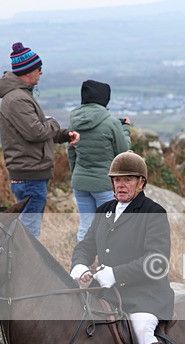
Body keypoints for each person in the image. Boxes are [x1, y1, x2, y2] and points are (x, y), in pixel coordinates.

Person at [69, 151, 174, 344]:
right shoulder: (104, 210)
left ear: (141, 183)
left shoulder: (153, 213)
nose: (120, 185)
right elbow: (85, 246)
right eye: (116, 180)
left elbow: (157, 261)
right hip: (106, 294)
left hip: (145, 296)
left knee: (140, 328)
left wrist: (116, 274)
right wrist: (79, 267)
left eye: (127, 179)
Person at [0, 42, 80, 238]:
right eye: (38, 68)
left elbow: (36, 129)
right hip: (29, 173)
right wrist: (52, 122)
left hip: (29, 172)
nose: (41, 72)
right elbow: (35, 131)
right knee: (30, 232)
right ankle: (22, 266)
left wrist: (63, 135)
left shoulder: (21, 96)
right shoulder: (17, 99)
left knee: (28, 227)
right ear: (27, 71)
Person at [68, 80, 131, 242]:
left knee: (86, 226)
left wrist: (76, 174)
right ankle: (107, 264)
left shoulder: (73, 120)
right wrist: (125, 129)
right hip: (104, 183)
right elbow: (123, 153)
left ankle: (80, 264)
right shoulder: (111, 122)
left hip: (80, 182)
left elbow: (71, 152)